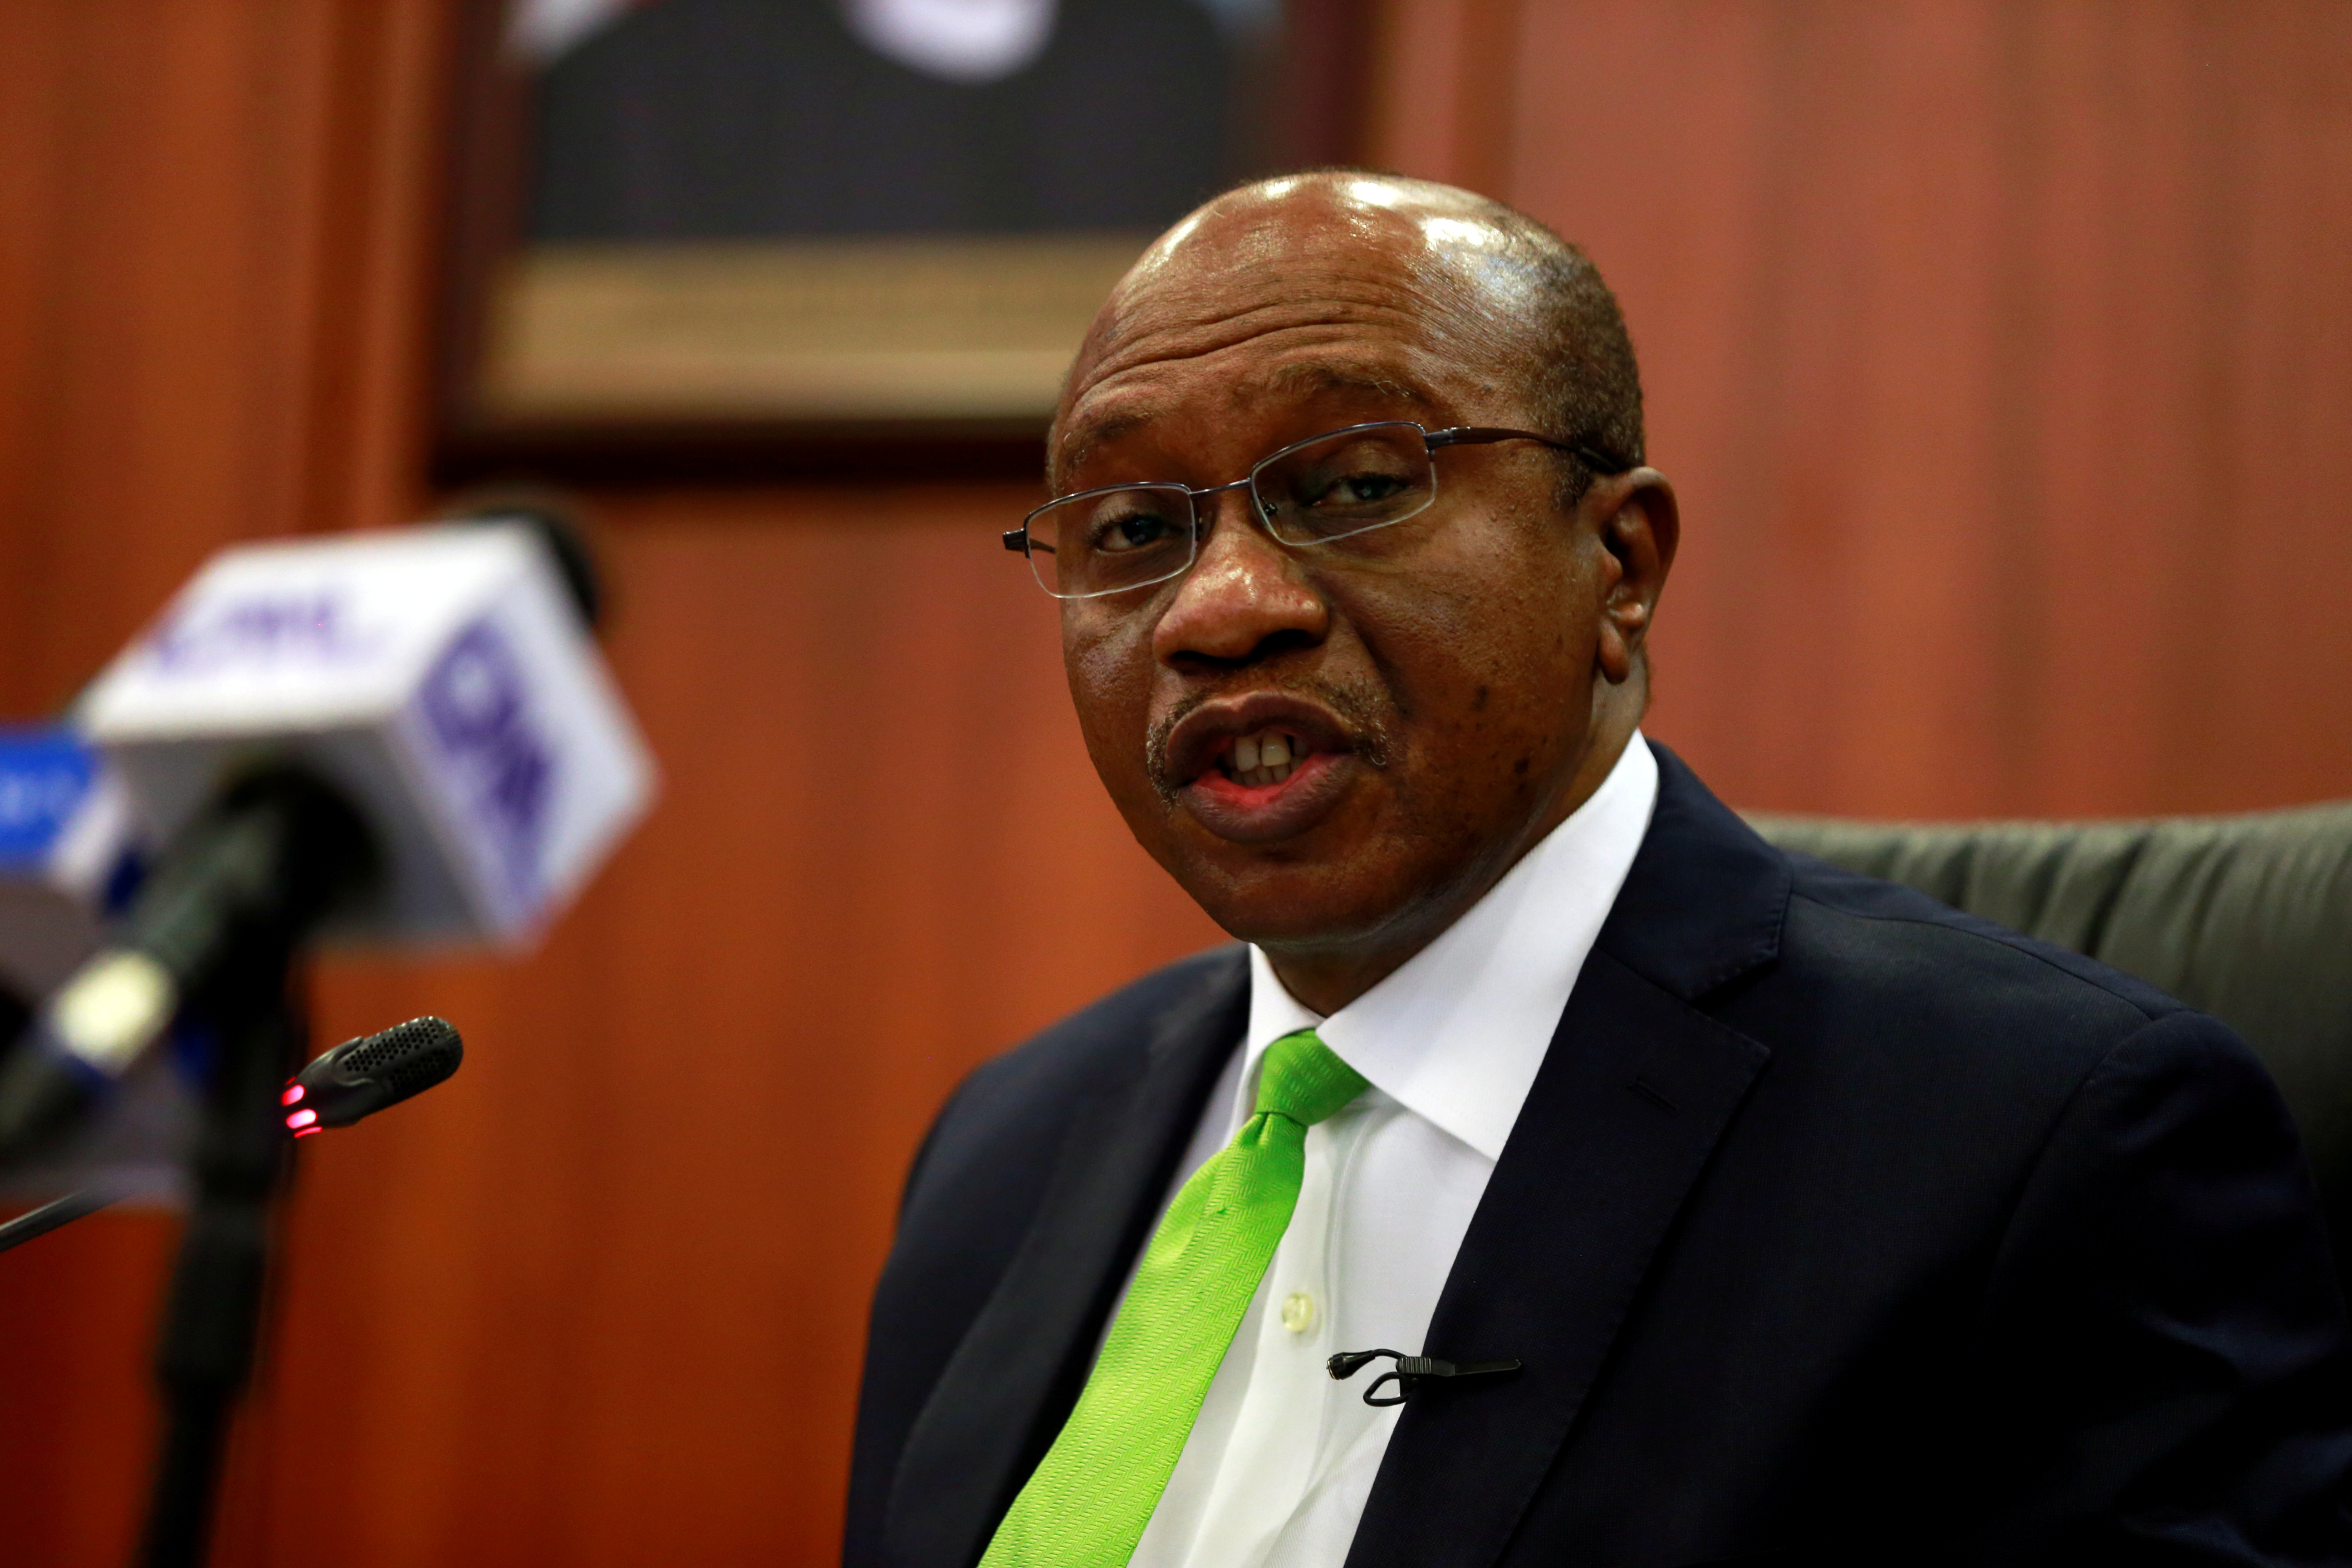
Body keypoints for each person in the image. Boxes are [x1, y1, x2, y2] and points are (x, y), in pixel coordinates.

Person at [843, 172, 2352, 1567]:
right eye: (1129, 527)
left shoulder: (2048, 1145)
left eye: (1360, 485)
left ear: (1618, 567)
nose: (1220, 609)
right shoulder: (1008, 1148)